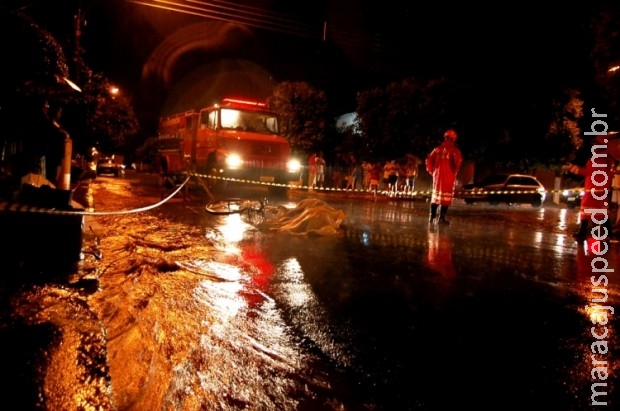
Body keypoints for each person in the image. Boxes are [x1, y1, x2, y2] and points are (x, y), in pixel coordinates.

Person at [564, 134, 616, 242]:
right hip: (602, 191)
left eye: (596, 144)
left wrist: (571, 168)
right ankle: (607, 233)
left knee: (586, 213)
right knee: (602, 213)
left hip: (592, 191)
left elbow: (587, 171)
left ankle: (582, 233)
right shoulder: (609, 160)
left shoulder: (597, 159)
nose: (594, 147)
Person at [425, 129, 463, 225]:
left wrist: (432, 171)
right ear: (454, 139)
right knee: (445, 198)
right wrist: (454, 172)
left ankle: (431, 217)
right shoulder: (455, 150)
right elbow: (457, 163)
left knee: (435, 197)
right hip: (448, 176)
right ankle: (441, 218)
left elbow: (429, 161)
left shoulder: (437, 149)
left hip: (437, 176)